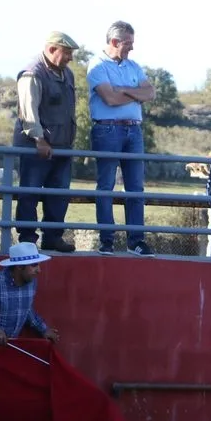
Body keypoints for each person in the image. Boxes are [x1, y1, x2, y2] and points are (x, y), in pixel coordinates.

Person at [87, 21, 156, 257]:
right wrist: (134, 93)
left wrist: (123, 90)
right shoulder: (97, 66)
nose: (132, 49)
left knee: (136, 188)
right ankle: (106, 240)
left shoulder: (134, 66)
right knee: (106, 186)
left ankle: (135, 241)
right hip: (107, 130)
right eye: (128, 44)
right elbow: (110, 100)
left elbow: (150, 93)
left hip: (134, 131)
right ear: (114, 42)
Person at [12, 32, 80, 253]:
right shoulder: (32, 73)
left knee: (59, 195)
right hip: (36, 146)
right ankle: (27, 240)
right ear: (52, 50)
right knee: (30, 193)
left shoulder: (67, 74)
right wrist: (39, 140)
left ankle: (52, 237)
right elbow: (28, 111)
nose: (70, 58)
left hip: (62, 147)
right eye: (67, 52)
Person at [0, 242, 59, 346]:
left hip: (8, 347)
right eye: (34, 265)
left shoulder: (31, 282)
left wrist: (44, 330)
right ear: (19, 267)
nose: (39, 270)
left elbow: (27, 310)